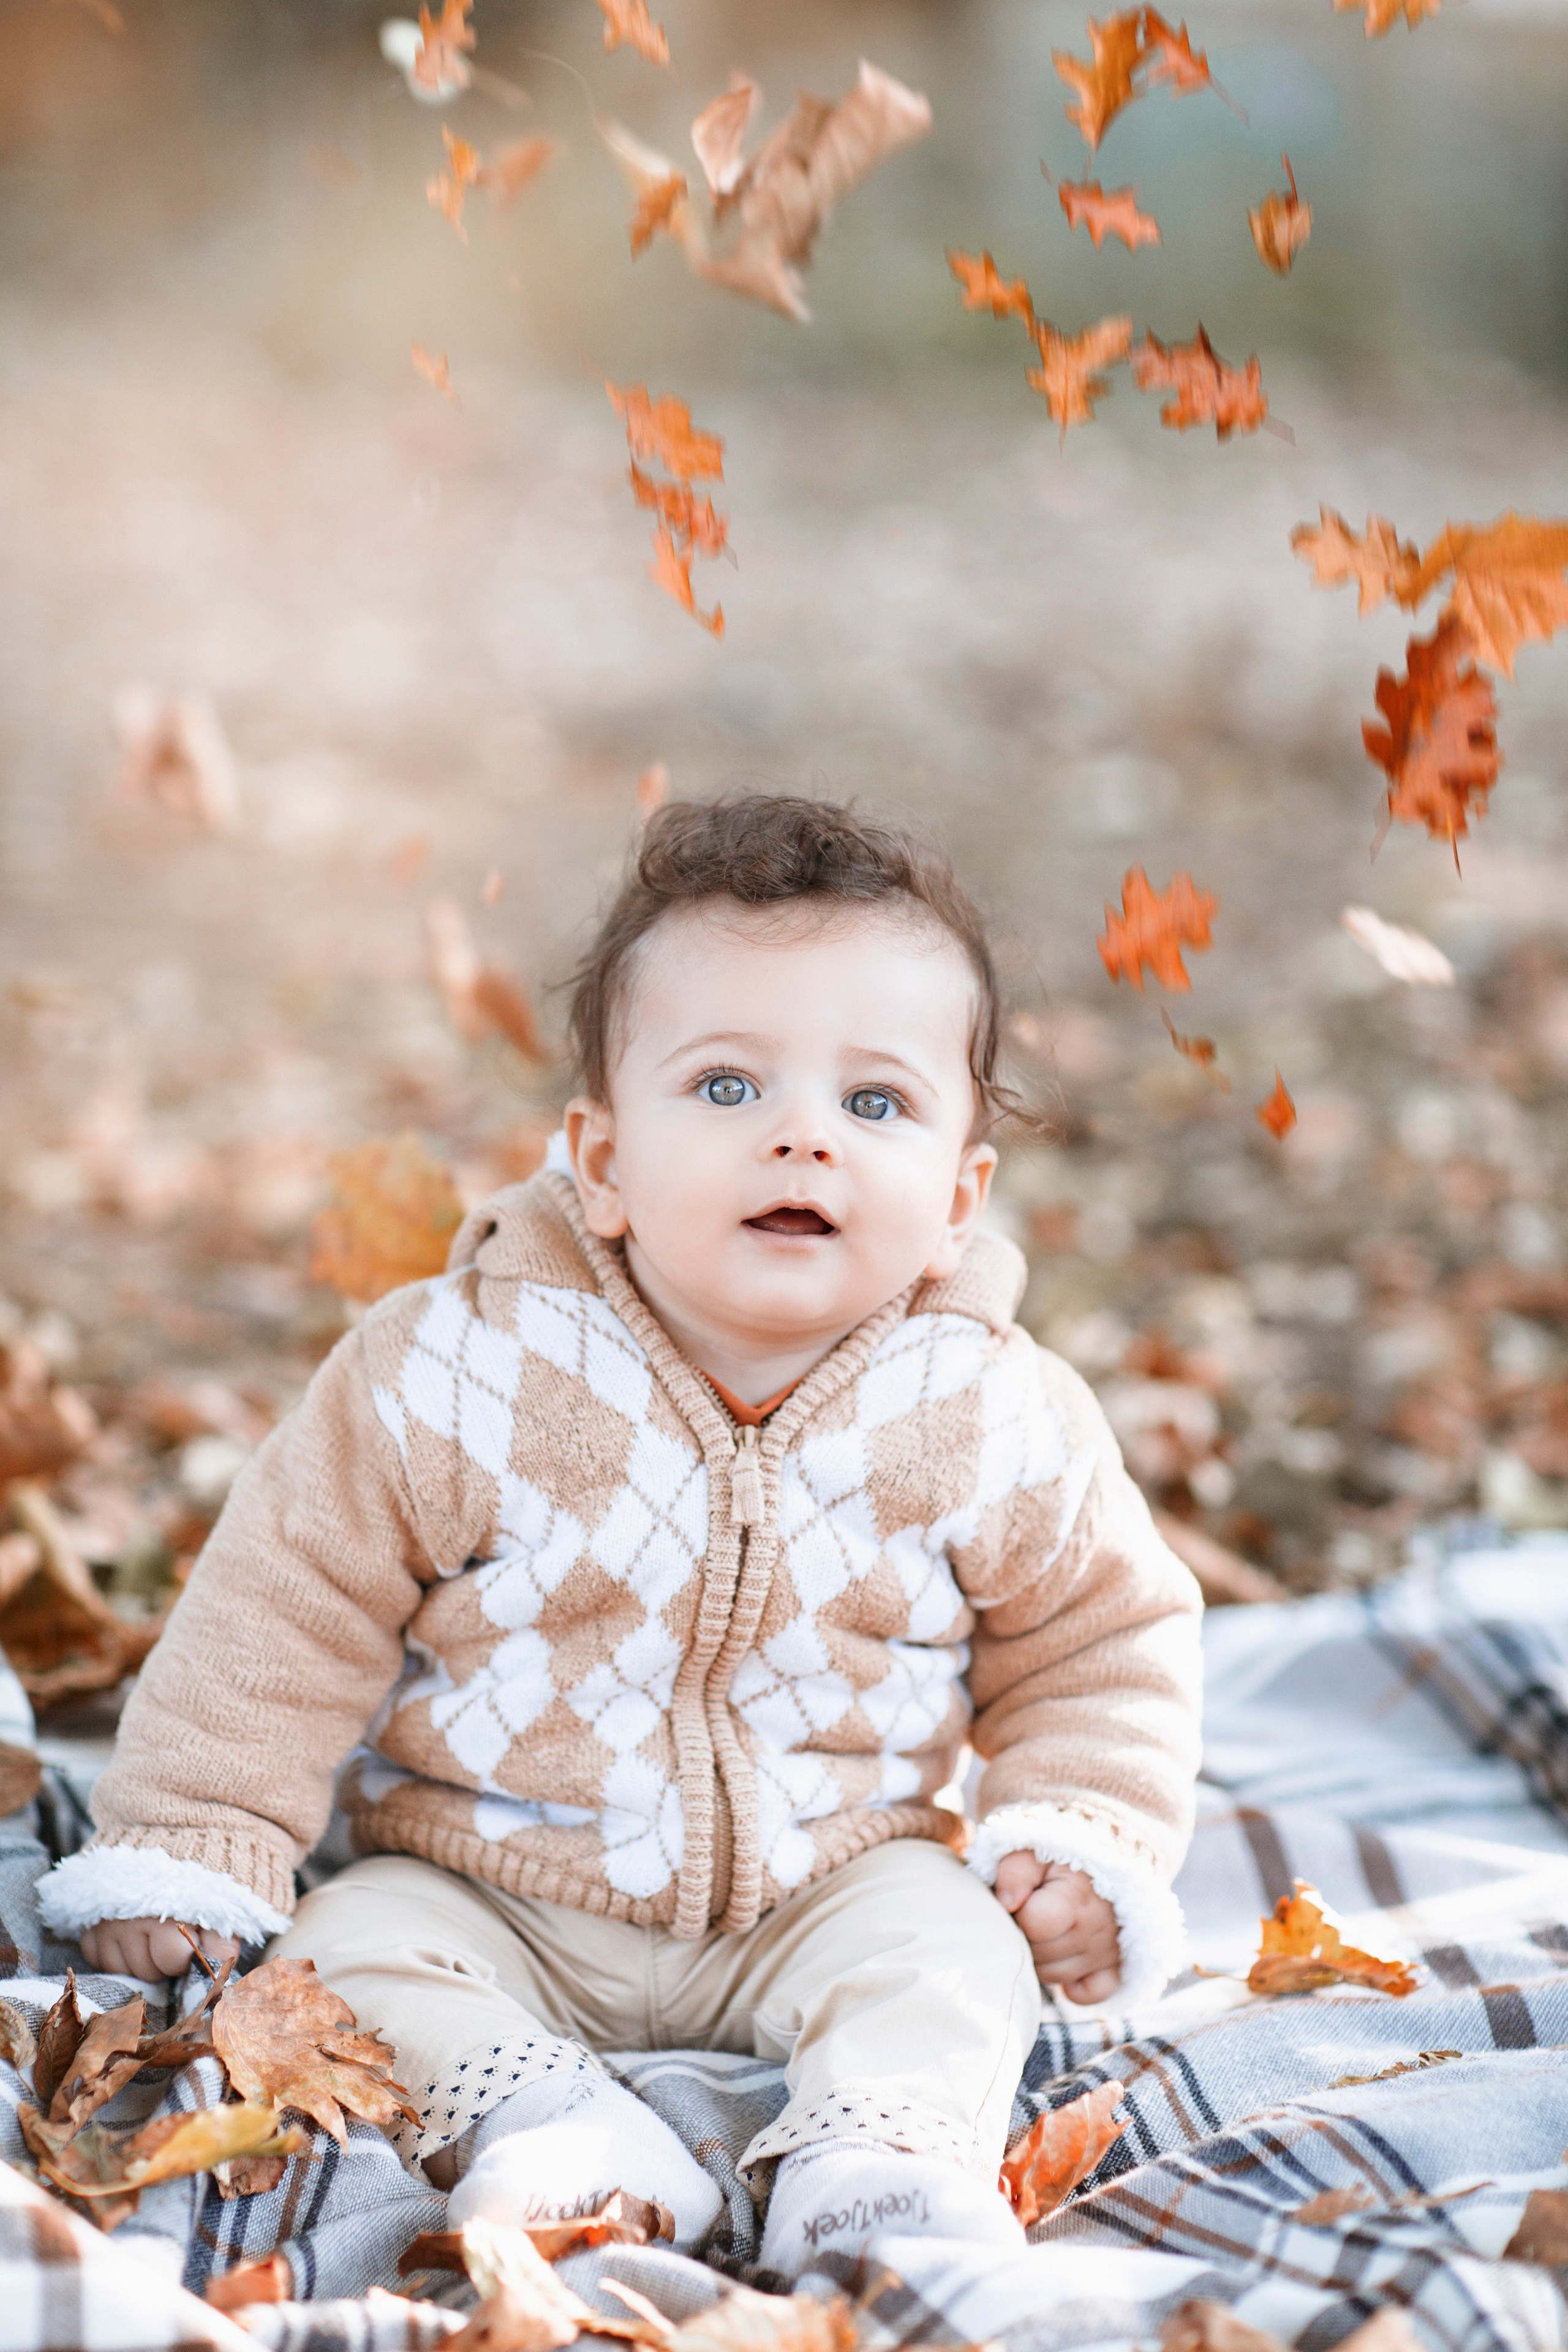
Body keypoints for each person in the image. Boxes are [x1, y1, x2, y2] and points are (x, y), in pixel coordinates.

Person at [40, 794, 1201, 2278]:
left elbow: (1100, 1637)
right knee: (340, 1953)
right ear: (596, 1160)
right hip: (486, 1874)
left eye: (875, 1104)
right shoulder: (457, 1368)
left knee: (956, 1959)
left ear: (960, 1193)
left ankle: (880, 2154)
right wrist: (200, 1832)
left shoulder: (990, 1411)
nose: (799, 1135)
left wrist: (1083, 1832)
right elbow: (286, 1600)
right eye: (725, 1089)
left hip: (830, 1879)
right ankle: (541, 2123)